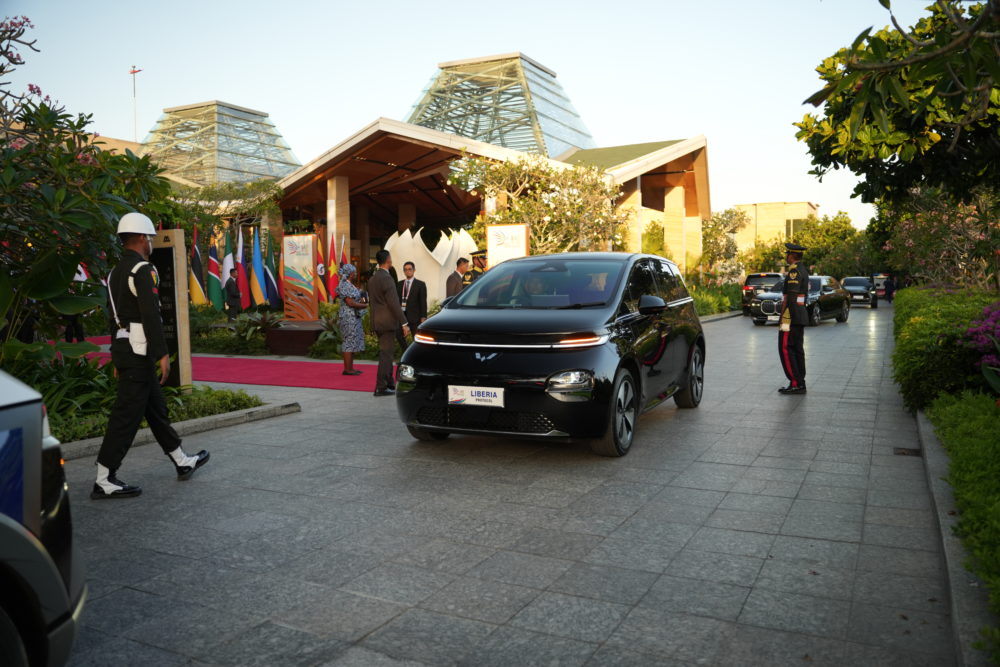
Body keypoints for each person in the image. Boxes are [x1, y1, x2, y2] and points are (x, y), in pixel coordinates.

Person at [92, 212, 209, 499]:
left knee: (155, 409)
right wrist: (163, 354)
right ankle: (104, 479)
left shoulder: (114, 272)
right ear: (143, 238)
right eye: (150, 238)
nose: (151, 243)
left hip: (126, 349)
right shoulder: (144, 269)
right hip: (140, 351)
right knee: (126, 415)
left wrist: (117, 356)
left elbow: (114, 317)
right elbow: (151, 316)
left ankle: (182, 461)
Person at [369, 249, 409, 396]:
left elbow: (372, 303)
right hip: (387, 322)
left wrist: (372, 324)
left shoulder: (373, 279)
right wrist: (404, 323)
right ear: (388, 261)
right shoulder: (387, 279)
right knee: (386, 355)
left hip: (378, 321)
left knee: (386, 353)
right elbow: (394, 303)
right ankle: (381, 387)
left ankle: (389, 383)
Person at [778, 242, 809, 395]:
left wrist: (784, 318)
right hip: (800, 315)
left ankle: (796, 383)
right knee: (797, 349)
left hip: (792, 317)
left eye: (787, 254)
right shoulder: (803, 270)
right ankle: (800, 382)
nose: (786, 256)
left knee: (786, 349)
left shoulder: (794, 272)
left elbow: (791, 297)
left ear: (792, 255)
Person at [335, 263, 366, 375]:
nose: (356, 273)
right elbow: (350, 302)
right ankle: (347, 369)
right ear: (351, 274)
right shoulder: (345, 285)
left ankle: (351, 368)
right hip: (349, 317)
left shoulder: (348, 284)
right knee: (348, 342)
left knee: (351, 342)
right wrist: (365, 305)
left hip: (353, 317)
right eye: (354, 272)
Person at [395, 261, 427, 352]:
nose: (407, 271)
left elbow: (423, 302)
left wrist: (423, 317)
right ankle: (406, 352)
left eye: (409, 269)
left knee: (416, 339)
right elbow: (397, 300)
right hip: (402, 316)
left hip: (415, 317)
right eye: (405, 270)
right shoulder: (399, 284)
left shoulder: (420, 284)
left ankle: (415, 356)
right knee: (398, 335)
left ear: (414, 270)